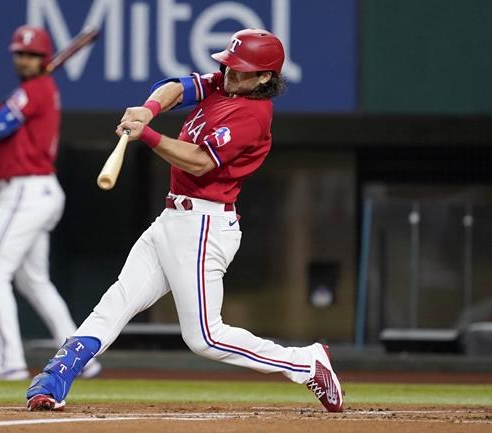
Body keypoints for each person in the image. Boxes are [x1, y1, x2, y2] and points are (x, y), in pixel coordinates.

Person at [25, 28, 343, 412]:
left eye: (241, 70)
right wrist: (149, 109)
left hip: (204, 226)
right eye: (228, 65)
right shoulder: (224, 86)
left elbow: (199, 160)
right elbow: (176, 86)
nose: (229, 74)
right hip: (173, 218)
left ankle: (306, 363)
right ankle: (56, 377)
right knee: (117, 301)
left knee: (206, 338)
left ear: (264, 78)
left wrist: (150, 136)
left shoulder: (253, 115)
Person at [0, 25, 101, 380]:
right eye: (21, 54)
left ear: (43, 58)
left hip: (26, 191)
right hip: (37, 191)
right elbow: (0, 117)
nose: (25, 59)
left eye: (33, 55)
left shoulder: (37, 89)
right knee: (33, 281)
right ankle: (80, 356)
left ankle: (9, 361)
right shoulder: (34, 89)